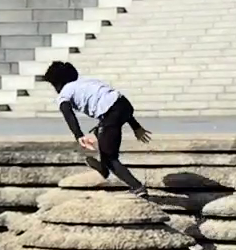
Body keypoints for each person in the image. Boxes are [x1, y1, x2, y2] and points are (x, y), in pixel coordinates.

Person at [40, 61, 152, 193]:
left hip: (110, 113)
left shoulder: (65, 91)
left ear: (57, 83)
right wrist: (136, 127)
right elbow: (114, 101)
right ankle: (103, 169)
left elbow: (67, 112)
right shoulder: (89, 82)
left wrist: (78, 135)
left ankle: (137, 187)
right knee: (101, 133)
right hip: (124, 105)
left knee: (110, 158)